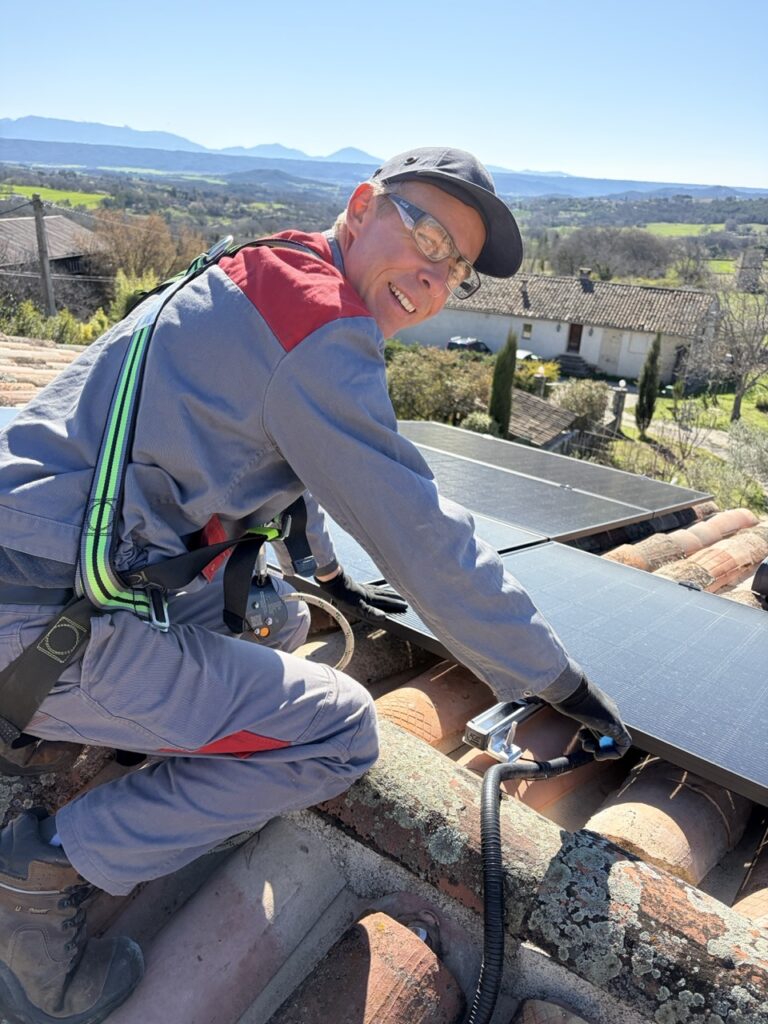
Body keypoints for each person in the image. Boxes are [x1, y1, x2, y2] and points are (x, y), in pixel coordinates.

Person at [0, 147, 631, 1024]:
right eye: (427, 231)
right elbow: (425, 540)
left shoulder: (263, 268)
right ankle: (44, 871)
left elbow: (287, 454)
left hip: (32, 556)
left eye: (456, 266)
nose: (434, 272)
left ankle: (85, 732)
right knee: (337, 732)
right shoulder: (324, 333)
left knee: (280, 617)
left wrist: (328, 569)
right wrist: (551, 680)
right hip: (45, 621)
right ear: (364, 203)